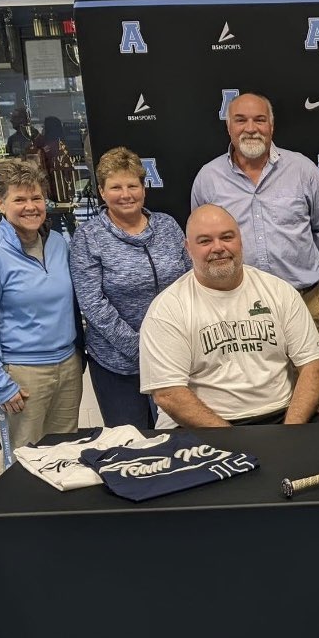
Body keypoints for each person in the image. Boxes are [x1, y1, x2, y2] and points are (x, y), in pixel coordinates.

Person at [139, 204, 319, 428]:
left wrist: (289, 433)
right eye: (205, 241)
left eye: (227, 237)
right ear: (188, 248)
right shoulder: (168, 309)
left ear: (241, 240)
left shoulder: (279, 292)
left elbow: (313, 367)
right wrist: (234, 441)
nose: (218, 248)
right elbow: (168, 394)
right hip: (201, 426)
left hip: (281, 417)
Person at [0, 159, 82, 466]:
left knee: (65, 456)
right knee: (24, 463)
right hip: (22, 376)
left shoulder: (57, 243)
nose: (31, 206)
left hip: (67, 369)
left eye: (36, 198)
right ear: (0, 203)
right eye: (19, 199)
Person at [189, 91, 319, 342]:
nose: (251, 128)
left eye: (259, 120)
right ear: (229, 127)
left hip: (302, 300)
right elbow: (199, 241)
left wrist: (298, 269)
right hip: (235, 307)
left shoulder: (302, 169)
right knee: (249, 381)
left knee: (311, 377)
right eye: (241, 120)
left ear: (272, 125)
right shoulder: (208, 178)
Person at [70, 147, 191, 428]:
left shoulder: (168, 226)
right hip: (117, 365)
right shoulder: (89, 237)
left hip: (174, 358)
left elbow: (189, 281)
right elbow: (93, 304)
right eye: (115, 187)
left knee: (179, 440)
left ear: (143, 188)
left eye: (132, 185)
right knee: (131, 444)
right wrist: (141, 349)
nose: (125, 194)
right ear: (101, 191)